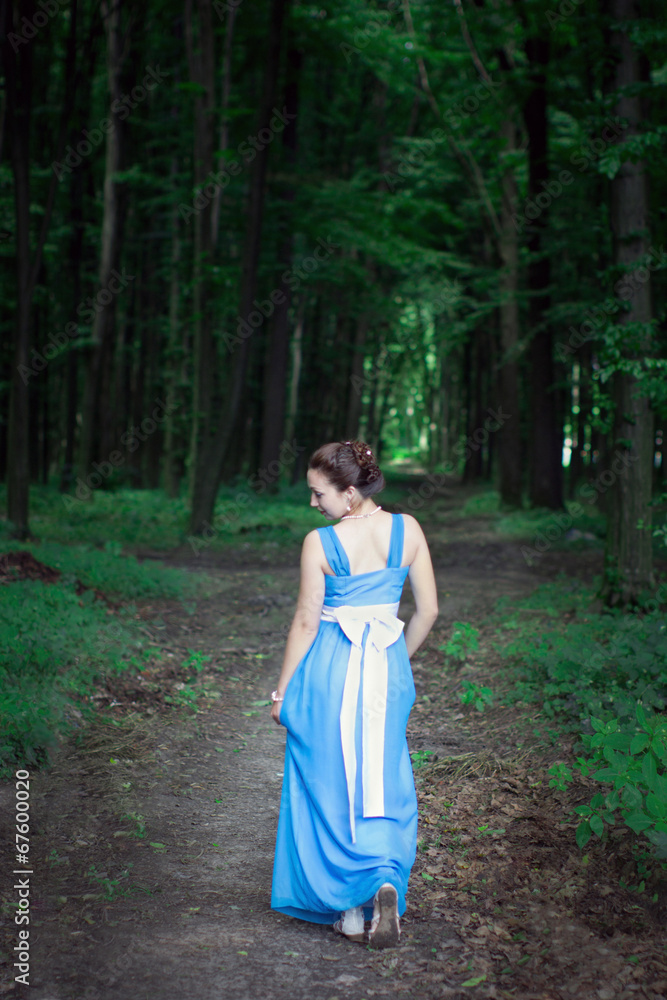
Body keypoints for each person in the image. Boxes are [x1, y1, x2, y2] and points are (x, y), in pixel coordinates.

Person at [269, 440, 438, 948]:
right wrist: (395, 663)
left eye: (318, 494)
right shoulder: (408, 530)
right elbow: (427, 611)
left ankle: (345, 907)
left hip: (331, 669)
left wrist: (281, 693)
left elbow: (305, 620)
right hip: (384, 666)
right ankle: (383, 878)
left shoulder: (320, 544)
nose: (313, 505)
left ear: (348, 492)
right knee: (381, 776)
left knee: (329, 777)